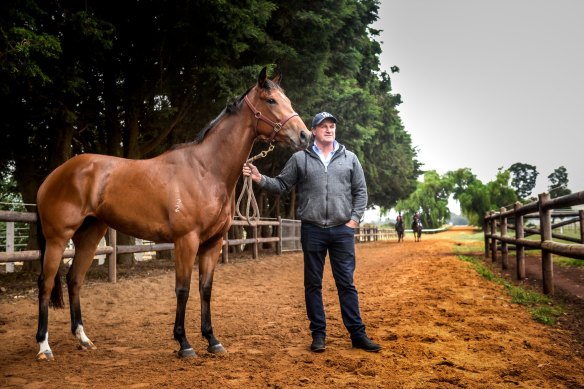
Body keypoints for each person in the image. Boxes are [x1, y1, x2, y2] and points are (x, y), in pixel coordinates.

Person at [242, 111, 381, 353]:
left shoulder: (350, 159)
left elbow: (361, 192)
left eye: (332, 126)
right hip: (312, 230)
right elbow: (282, 185)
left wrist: (354, 221)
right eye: (324, 126)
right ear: (314, 131)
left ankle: (357, 335)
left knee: (346, 283)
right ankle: (318, 335)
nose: (329, 129)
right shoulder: (300, 159)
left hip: (342, 231)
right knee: (313, 284)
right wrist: (259, 177)